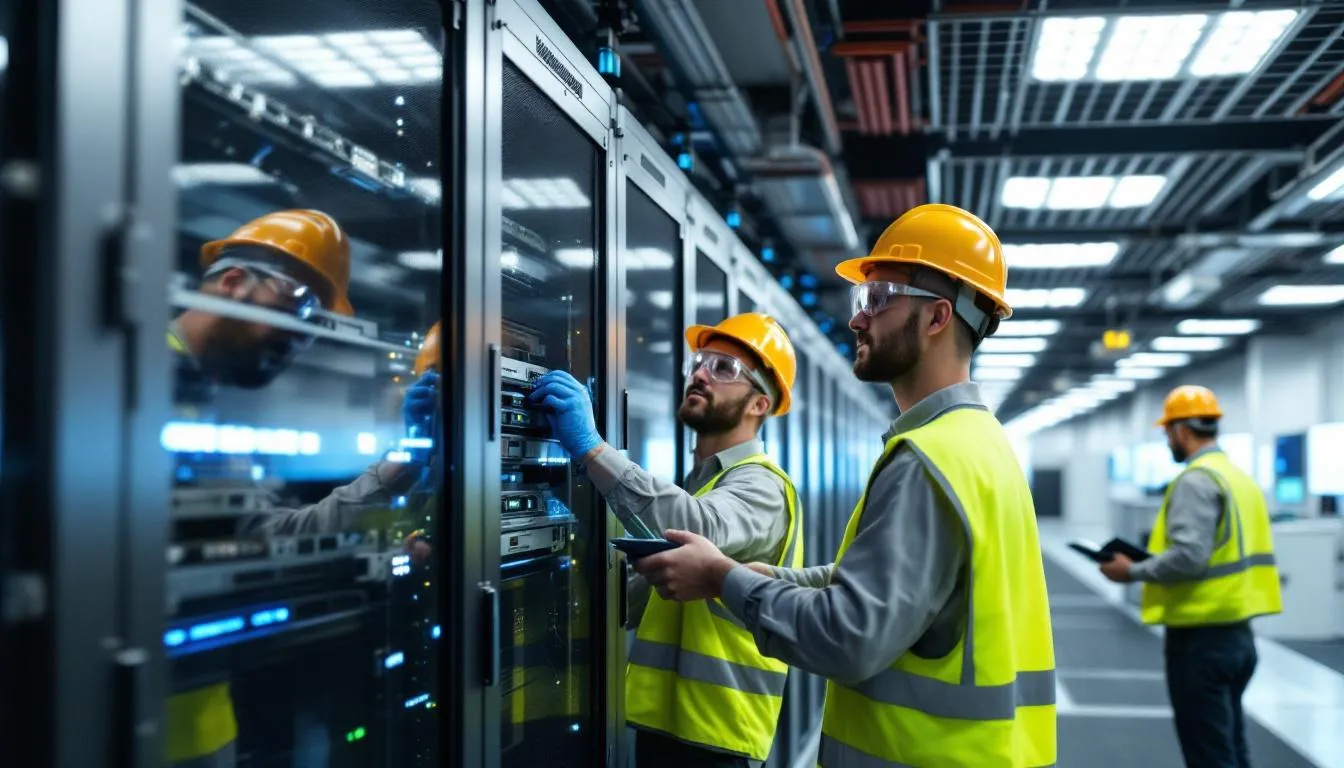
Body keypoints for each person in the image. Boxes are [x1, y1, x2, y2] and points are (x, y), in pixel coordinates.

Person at [631, 204, 1057, 767]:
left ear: (937, 318)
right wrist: (770, 577)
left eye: (878, 299)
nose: (858, 320)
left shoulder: (929, 460)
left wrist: (723, 579)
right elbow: (896, 591)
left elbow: (849, 636)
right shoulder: (981, 445)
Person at [165, 209, 439, 767]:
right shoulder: (144, 384)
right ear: (233, 281)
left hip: (195, 720)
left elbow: (262, 541)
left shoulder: (192, 400)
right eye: (299, 306)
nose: (302, 338)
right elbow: (264, 545)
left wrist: (408, 459)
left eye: (315, 322)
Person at [527, 312, 803, 768]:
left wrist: (594, 450)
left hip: (714, 738)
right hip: (673, 730)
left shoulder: (763, 485)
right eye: (700, 362)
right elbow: (638, 597)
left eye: (724, 368)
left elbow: (698, 527)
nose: (700, 375)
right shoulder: (702, 484)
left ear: (759, 404)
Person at [1100, 384, 1282, 768]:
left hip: (1201, 641)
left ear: (1182, 430)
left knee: (1210, 756)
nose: (1168, 440)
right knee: (1231, 749)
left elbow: (1189, 556)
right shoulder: (1237, 477)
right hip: (1238, 636)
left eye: (1168, 432)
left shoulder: (1196, 480)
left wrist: (1131, 571)